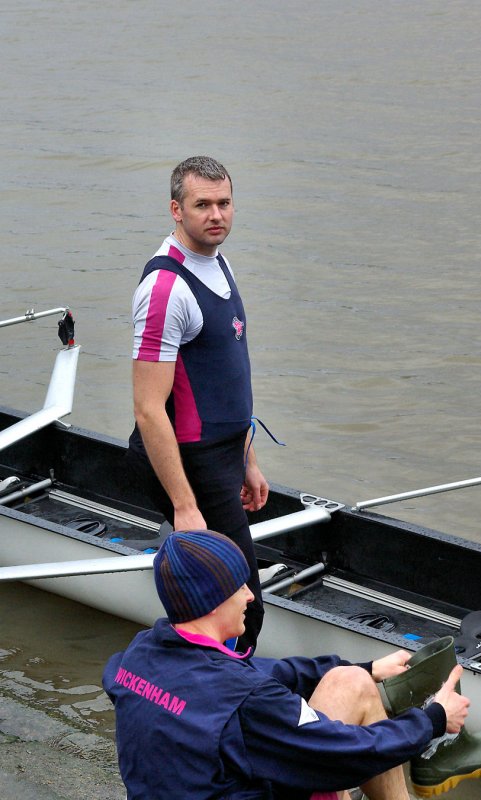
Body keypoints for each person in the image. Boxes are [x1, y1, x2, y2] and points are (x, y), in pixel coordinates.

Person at [103, 529, 472, 800]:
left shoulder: (136, 657)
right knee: (339, 758)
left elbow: (257, 673)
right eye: (240, 587)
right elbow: (353, 751)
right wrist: (434, 719)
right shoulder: (248, 702)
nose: (250, 596)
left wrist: (367, 667)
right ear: (213, 601)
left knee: (350, 681)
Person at [125, 156, 268, 648]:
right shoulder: (166, 289)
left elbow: (224, 380)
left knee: (232, 606)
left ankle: (218, 692)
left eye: (224, 203)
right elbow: (148, 409)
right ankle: (222, 706)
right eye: (201, 204)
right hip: (193, 464)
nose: (216, 215)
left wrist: (248, 460)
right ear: (175, 209)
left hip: (225, 456)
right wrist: (184, 507)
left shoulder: (217, 261)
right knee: (243, 608)